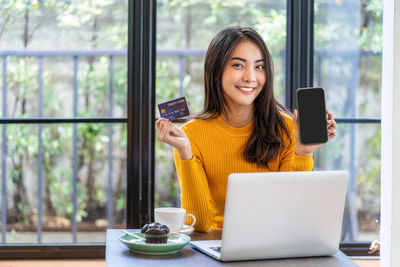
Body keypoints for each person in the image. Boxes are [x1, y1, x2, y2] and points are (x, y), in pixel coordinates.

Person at [155, 26, 337, 232]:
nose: (251, 77)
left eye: (259, 67)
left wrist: (303, 152)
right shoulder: (191, 135)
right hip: (216, 246)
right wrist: (185, 153)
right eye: (238, 65)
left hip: (274, 244)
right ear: (216, 71)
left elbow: (290, 215)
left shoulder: (287, 128)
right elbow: (200, 224)